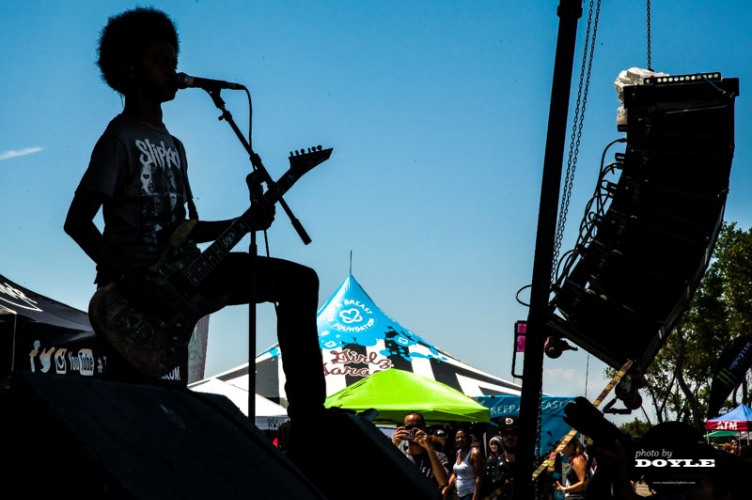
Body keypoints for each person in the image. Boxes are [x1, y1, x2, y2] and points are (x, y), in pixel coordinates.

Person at [63, 7, 326, 427]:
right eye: (161, 62)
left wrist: (244, 220)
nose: (174, 72)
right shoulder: (118, 138)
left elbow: (183, 230)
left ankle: (311, 422)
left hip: (186, 272)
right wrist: (130, 281)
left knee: (299, 281)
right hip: (137, 292)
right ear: (129, 71)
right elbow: (77, 221)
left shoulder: (176, 145)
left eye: (174, 62)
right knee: (135, 413)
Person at [392, 411, 450, 490]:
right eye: (409, 428)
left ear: (424, 428)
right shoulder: (401, 457)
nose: (414, 430)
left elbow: (443, 482)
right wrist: (392, 446)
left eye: (417, 427)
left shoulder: (438, 456)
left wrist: (429, 447)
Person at [444, 427, 484, 500]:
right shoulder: (458, 453)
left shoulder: (474, 453)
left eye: (462, 437)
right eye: (457, 437)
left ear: (468, 439)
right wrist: (446, 488)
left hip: (470, 494)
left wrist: (474, 498)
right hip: (459, 494)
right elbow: (455, 473)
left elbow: (479, 478)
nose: (459, 439)